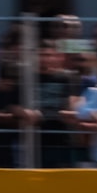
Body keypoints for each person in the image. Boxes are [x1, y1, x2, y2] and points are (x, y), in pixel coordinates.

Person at [35, 40, 76, 168]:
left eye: (48, 55)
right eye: (41, 55)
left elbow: (70, 107)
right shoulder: (29, 78)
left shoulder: (66, 78)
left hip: (60, 140)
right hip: (35, 141)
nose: (44, 59)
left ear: (56, 57)